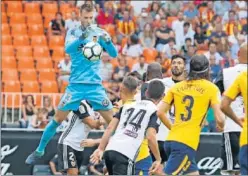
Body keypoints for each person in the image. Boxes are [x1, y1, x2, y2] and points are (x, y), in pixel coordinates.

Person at [26, 3, 118, 165]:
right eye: (86, 17)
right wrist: (83, 37)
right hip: (75, 86)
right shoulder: (74, 32)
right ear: (80, 16)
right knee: (57, 119)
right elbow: (68, 49)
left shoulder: (100, 33)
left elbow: (113, 54)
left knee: (114, 123)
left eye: (91, 18)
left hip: (95, 87)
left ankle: (117, 152)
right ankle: (40, 150)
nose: (89, 21)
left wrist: (108, 42)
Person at [156, 55, 225, 175]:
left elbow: (160, 112)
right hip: (185, 144)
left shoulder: (176, 87)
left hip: (171, 140)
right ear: (207, 70)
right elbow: (220, 118)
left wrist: (173, 128)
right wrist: (222, 126)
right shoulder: (211, 88)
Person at [90, 76, 163, 175]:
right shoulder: (154, 111)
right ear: (163, 96)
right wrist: (158, 159)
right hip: (126, 154)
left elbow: (110, 128)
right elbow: (151, 136)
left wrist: (100, 148)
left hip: (110, 150)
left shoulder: (127, 106)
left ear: (146, 93)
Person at [215, 43, 247, 175]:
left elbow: (217, 99)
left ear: (238, 53)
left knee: (230, 171)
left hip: (233, 127)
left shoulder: (226, 73)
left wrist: (220, 120)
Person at [57, 100, 105, 175]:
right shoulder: (81, 104)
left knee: (72, 173)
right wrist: (100, 121)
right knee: (73, 173)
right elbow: (92, 124)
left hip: (80, 146)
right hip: (68, 142)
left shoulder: (97, 108)